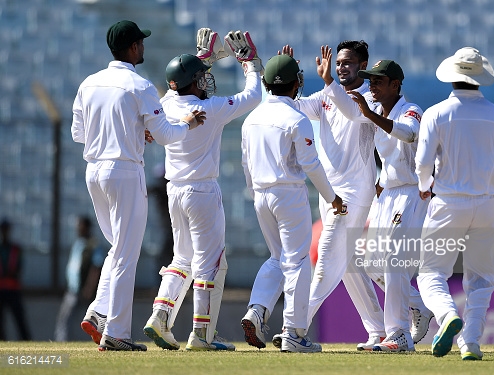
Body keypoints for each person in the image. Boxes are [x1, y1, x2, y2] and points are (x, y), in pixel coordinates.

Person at [71, 20, 205, 351]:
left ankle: (99, 311)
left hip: (95, 172)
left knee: (118, 248)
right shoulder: (141, 86)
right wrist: (186, 123)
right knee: (126, 253)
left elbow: (78, 134)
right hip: (124, 172)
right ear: (133, 48)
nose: (143, 47)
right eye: (140, 43)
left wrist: (128, 132)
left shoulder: (89, 83)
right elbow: (166, 135)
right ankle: (115, 333)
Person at [143, 28, 263, 351]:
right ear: (194, 83)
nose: (205, 82)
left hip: (174, 192)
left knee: (181, 259)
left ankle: (160, 315)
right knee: (210, 263)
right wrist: (250, 63)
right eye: (201, 77)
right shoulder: (212, 109)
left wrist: (202, 59)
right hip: (202, 192)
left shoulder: (165, 103)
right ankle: (202, 336)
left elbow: (178, 85)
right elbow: (253, 96)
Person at [269, 40, 386, 351]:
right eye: (338, 63)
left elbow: (350, 113)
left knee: (325, 261)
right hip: (330, 193)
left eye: (347, 63)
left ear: (363, 66)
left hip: (354, 193)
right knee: (347, 265)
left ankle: (294, 327)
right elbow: (293, 107)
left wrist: (329, 82)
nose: (341, 67)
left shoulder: (372, 101)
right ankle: (384, 327)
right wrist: (285, 77)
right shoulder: (326, 96)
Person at [316, 49, 434, 352]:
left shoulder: (411, 110)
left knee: (395, 262)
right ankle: (418, 306)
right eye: (371, 82)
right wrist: (381, 183)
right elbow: (383, 160)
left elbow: (409, 135)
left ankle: (398, 335)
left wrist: (368, 116)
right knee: (368, 264)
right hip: (387, 194)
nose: (373, 87)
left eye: (379, 82)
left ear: (395, 85)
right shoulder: (376, 111)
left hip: (410, 194)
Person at [415, 47, 494, 360]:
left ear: (451, 76)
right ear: (479, 78)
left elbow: (423, 163)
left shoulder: (436, 114)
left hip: (448, 201)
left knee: (431, 274)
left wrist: (426, 186)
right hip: (488, 204)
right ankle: (471, 343)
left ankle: (447, 315)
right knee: (480, 279)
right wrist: (490, 182)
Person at [240, 54, 345, 353]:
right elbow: (311, 165)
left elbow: (247, 164)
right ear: (296, 83)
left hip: (260, 194)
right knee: (297, 261)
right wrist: (332, 198)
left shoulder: (252, 118)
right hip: (288, 194)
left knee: (277, 258)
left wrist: (256, 192)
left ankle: (257, 310)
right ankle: (294, 333)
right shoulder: (296, 119)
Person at [54, 216, 105, 342]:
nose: (78, 228)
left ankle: (106, 339)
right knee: (65, 319)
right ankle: (62, 341)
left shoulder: (93, 245)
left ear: (86, 227)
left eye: (80, 226)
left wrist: (89, 287)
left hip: (86, 290)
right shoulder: (78, 243)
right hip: (73, 289)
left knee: (96, 319)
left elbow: (96, 267)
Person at [0, 219, 31, 341]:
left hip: (13, 288)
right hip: (1, 288)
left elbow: (18, 268)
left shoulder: (15, 249)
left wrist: (10, 273)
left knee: (19, 318)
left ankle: (26, 340)